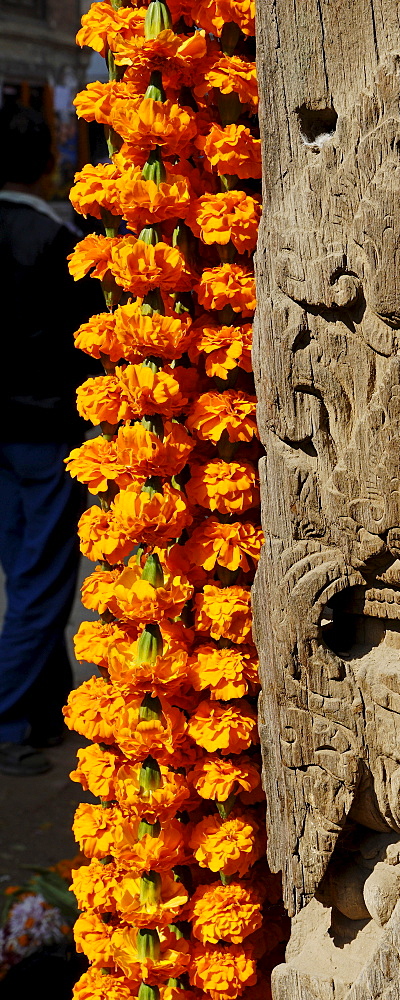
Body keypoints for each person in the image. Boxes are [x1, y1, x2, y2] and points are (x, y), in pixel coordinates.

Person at [0, 104, 101, 776]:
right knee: (41, 585)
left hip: (3, 433)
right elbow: (92, 339)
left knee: (23, 574)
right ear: (46, 162)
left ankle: (40, 708)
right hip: (44, 434)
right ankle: (8, 721)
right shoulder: (54, 236)